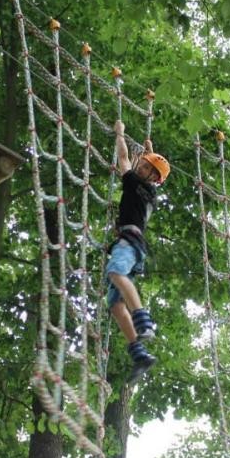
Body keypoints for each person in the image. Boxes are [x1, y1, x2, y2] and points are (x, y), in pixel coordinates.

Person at [104, 120, 170, 384]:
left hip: (128, 243)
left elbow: (122, 157)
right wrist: (149, 149)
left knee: (115, 272)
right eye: (142, 164)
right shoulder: (151, 194)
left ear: (153, 177)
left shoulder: (132, 181)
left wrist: (119, 134)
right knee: (115, 305)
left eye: (146, 168)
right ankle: (138, 352)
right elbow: (148, 165)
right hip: (134, 244)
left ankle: (144, 321)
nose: (140, 167)